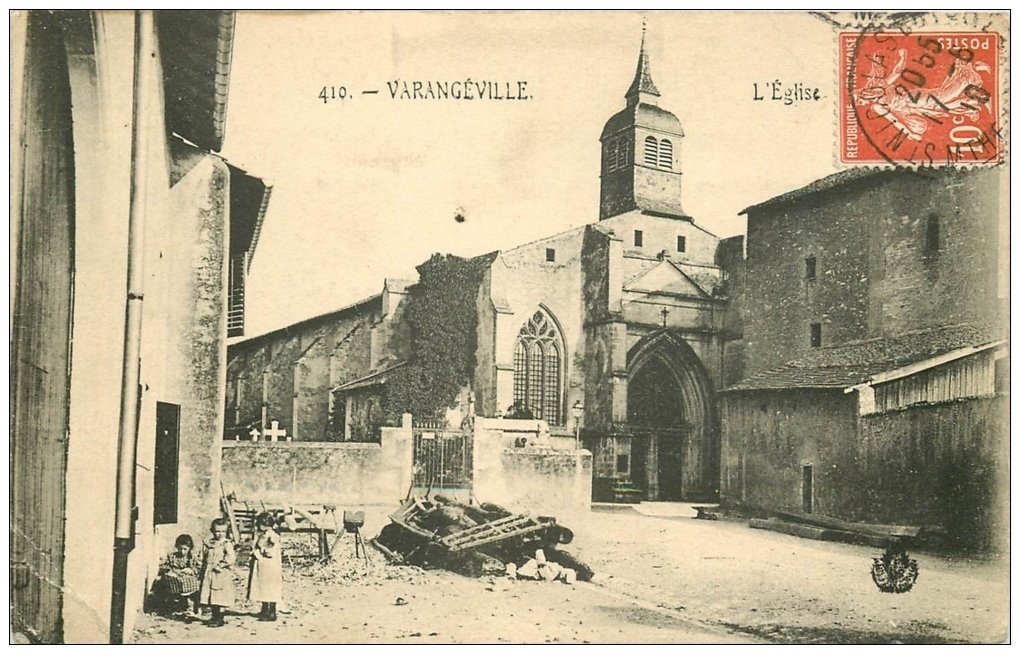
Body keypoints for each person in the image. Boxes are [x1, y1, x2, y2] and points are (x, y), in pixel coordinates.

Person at [199, 517, 235, 627]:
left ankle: (219, 617)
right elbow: (203, 556)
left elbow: (231, 557)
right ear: (213, 531)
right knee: (211, 595)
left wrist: (222, 564)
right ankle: (214, 616)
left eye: (223, 531)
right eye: (217, 531)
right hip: (209, 572)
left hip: (220, 573)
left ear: (227, 532)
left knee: (219, 595)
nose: (220, 534)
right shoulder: (210, 543)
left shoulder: (226, 544)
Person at [247, 511, 283, 621]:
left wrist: (259, 551)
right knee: (263, 587)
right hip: (263, 566)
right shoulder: (264, 535)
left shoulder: (272, 536)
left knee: (270, 588)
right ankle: (264, 609)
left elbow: (270, 552)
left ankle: (271, 612)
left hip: (270, 566)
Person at [155, 534, 201, 618]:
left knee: (193, 588)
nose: (182, 551)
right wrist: (172, 570)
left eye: (185, 549)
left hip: (188, 579)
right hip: (175, 579)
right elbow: (165, 566)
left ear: (190, 548)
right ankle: (169, 608)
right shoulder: (172, 556)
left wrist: (190, 570)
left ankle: (192, 608)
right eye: (180, 549)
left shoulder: (192, 558)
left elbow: (198, 568)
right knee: (167, 582)